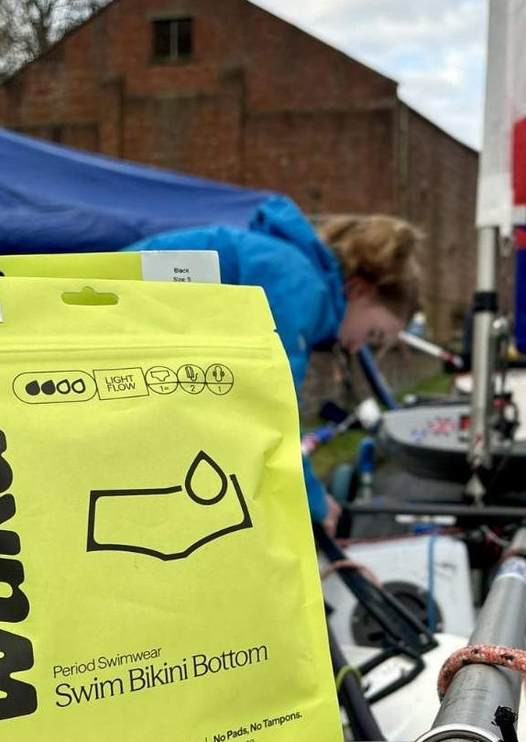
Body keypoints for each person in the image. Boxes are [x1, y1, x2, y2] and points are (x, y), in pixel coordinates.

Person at [129, 202, 421, 534]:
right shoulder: (300, 286)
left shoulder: (287, 266)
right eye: (372, 334)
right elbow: (271, 410)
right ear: (357, 290)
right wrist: (314, 501)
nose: (359, 347)